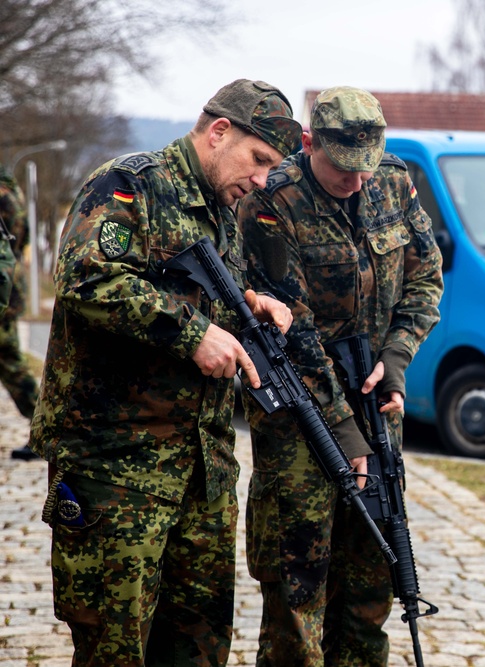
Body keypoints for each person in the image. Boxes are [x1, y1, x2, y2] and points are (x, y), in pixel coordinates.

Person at [28, 79, 301, 666]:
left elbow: (192, 292)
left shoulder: (220, 210)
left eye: (272, 169)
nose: (260, 181)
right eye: (258, 161)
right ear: (219, 131)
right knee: (114, 648)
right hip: (117, 465)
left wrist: (247, 303)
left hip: (201, 470)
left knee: (198, 647)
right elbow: (87, 280)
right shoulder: (130, 184)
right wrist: (194, 334)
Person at [236, 86, 444, 666]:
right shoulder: (272, 204)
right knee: (297, 603)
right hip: (303, 424)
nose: (356, 181)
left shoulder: (395, 182)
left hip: (376, 415)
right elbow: (290, 334)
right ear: (311, 144)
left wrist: (397, 359)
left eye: (365, 168)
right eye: (342, 169)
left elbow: (426, 280)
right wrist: (341, 432)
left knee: (370, 588)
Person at [0, 162, 42, 460]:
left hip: (5, 288)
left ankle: (47, 431)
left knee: (10, 361)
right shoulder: (10, 192)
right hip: (10, 282)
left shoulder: (3, 197)